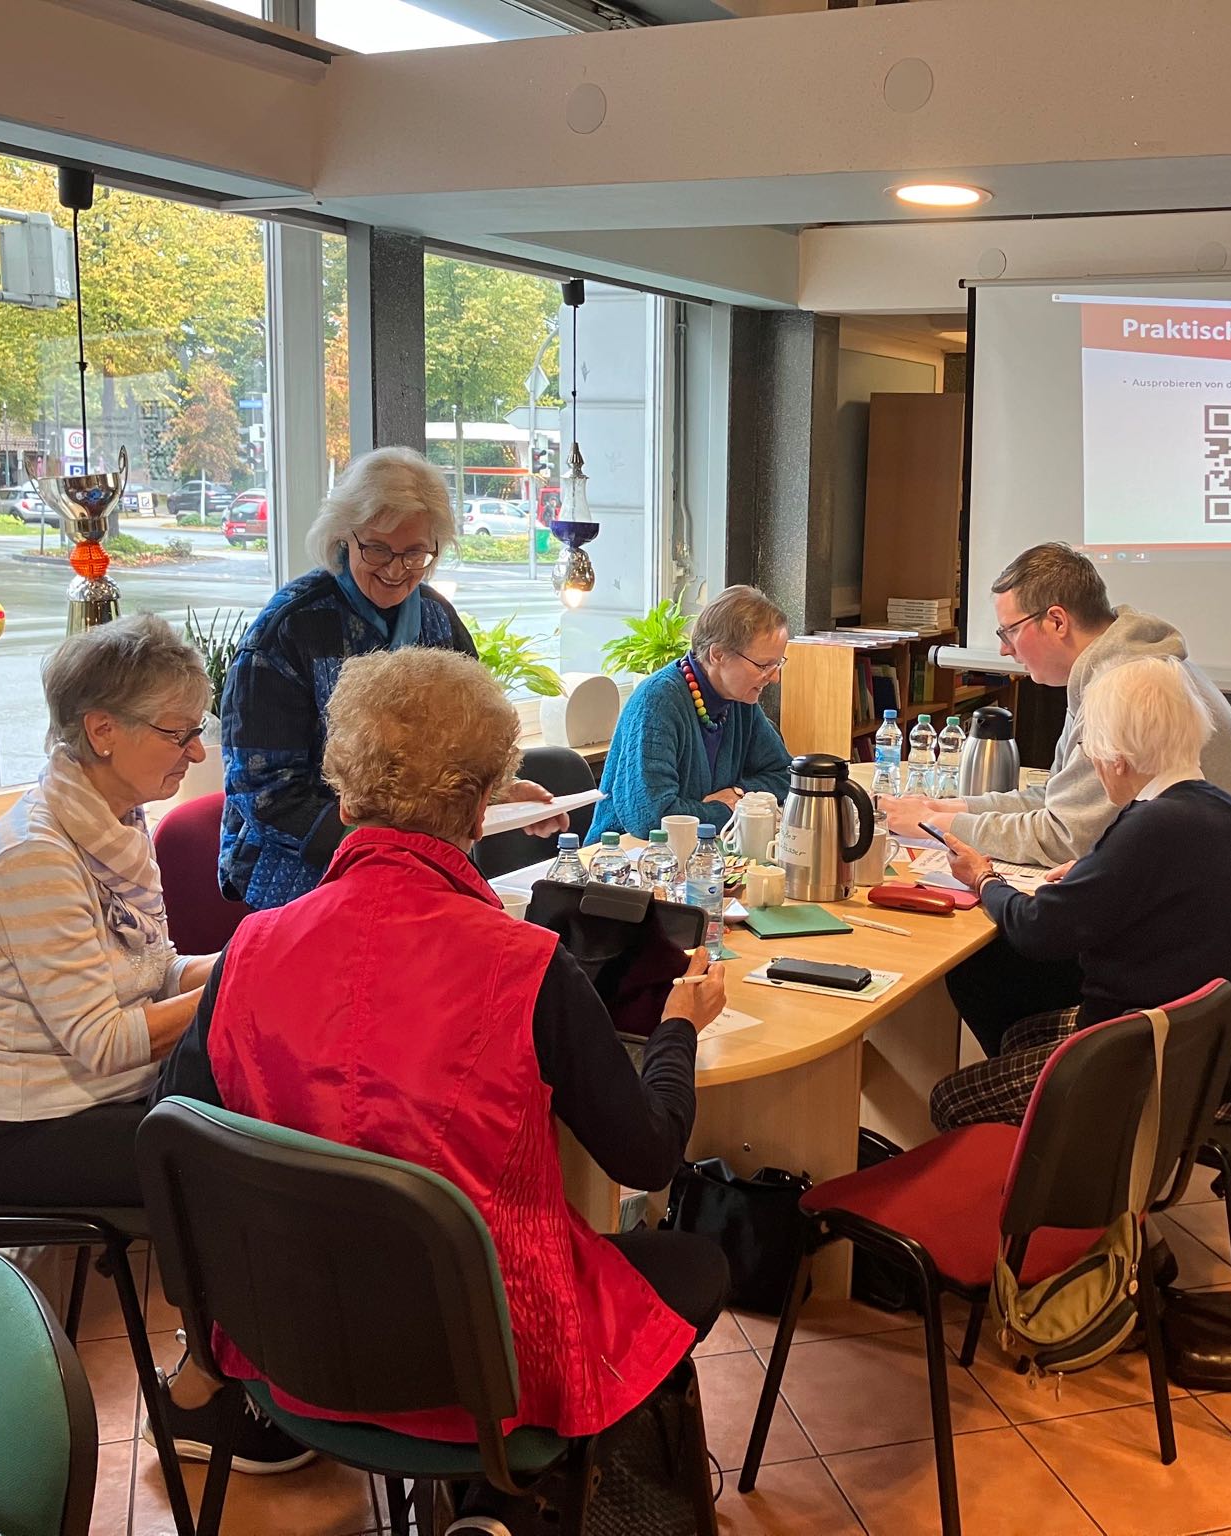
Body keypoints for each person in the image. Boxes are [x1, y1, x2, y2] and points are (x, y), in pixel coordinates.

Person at [162, 646, 733, 1452]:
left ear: (346, 791)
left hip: (289, 1339)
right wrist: (678, 1025)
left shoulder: (250, 949)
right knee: (695, 1264)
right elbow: (645, 1157)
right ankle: (522, 1500)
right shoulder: (527, 966)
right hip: (483, 1367)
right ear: (479, 809)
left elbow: (181, 1132)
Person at [882, 543, 1231, 1054]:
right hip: (1212, 948)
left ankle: (1059, 1103)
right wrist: (948, 810)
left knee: (992, 966)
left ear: (1056, 621)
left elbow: (1066, 835)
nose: (1003, 650)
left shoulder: (1120, 689)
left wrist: (951, 842)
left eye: (1009, 631)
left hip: (1191, 973)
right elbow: (1060, 800)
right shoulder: (1117, 669)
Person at [928, 655, 1231, 1132]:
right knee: (1022, 1033)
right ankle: (1070, 1158)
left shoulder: (1152, 827)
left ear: (1116, 758)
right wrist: (1096, 871)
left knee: (952, 1100)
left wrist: (983, 878)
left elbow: (1040, 931)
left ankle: (1073, 1175)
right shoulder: (1228, 811)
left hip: (1190, 1070)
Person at [0, 613, 218, 1209]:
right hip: (18, 1128)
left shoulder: (116, 820)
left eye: (197, 730)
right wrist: (237, 986)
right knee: (245, 1170)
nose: (195, 751)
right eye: (177, 733)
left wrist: (251, 953)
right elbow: (106, 1042)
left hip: (92, 1096)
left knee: (264, 1115)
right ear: (103, 730)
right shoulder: (32, 857)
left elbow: (154, 972)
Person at [219, 446, 563, 911]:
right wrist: (385, 845)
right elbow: (263, 797)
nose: (396, 570)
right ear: (344, 535)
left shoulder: (439, 621)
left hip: (423, 866)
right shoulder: (289, 631)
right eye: (378, 549)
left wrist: (497, 793)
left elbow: (469, 744)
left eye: (414, 553)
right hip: (307, 876)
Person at [586, 584, 794, 840]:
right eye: (763, 665)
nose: (774, 678)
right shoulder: (658, 701)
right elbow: (650, 818)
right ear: (717, 654)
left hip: (703, 853)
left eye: (777, 663)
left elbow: (786, 776)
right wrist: (725, 809)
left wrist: (739, 794)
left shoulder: (739, 699)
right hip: (622, 860)